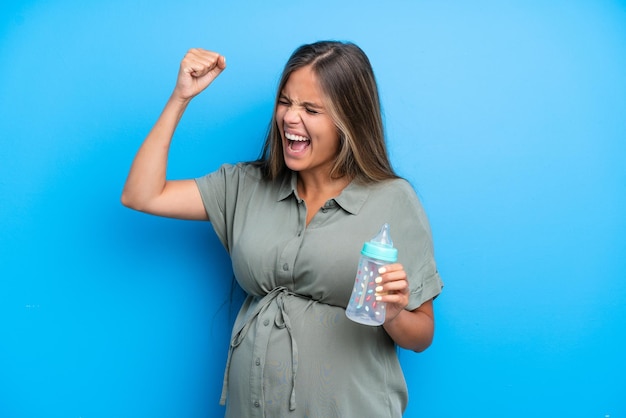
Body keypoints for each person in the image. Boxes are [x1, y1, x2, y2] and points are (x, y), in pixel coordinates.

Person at [121, 40, 443, 417]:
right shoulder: (245, 185)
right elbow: (141, 195)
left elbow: (422, 335)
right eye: (286, 102)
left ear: (348, 121)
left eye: (310, 109)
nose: (291, 117)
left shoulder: (392, 200)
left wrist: (392, 315)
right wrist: (180, 98)